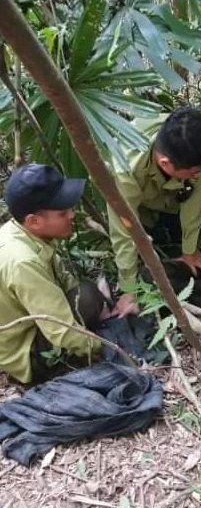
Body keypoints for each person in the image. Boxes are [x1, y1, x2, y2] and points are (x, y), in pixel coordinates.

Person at [108, 107, 201, 317]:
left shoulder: (190, 146)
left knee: (187, 252)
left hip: (172, 196)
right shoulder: (126, 171)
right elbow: (123, 232)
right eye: (196, 171)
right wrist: (129, 291)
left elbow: (194, 204)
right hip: (142, 204)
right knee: (148, 243)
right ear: (165, 163)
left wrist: (190, 252)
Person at [0, 164, 106, 384]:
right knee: (86, 296)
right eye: (62, 212)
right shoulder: (23, 262)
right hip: (25, 352)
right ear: (33, 221)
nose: (72, 215)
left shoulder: (19, 232)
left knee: (81, 285)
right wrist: (103, 348)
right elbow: (60, 330)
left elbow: (64, 276)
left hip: (24, 329)